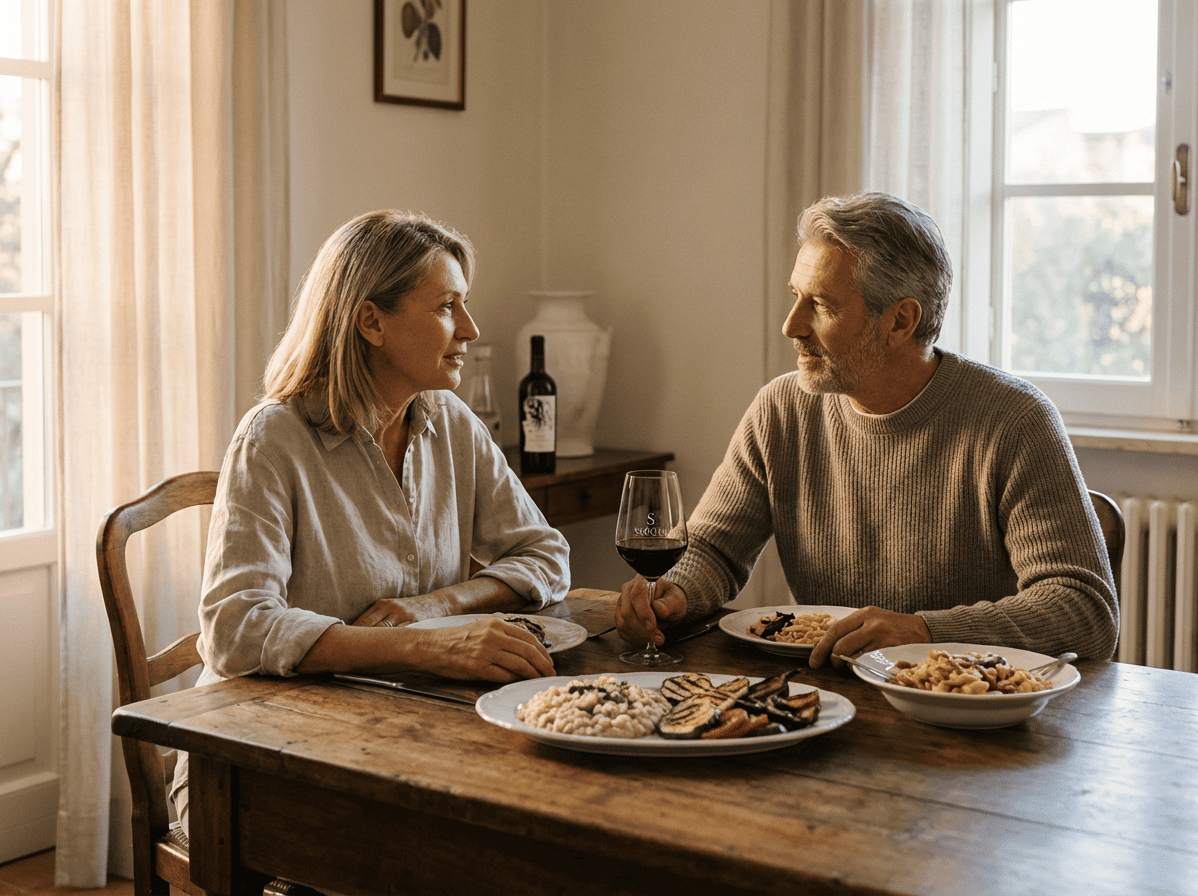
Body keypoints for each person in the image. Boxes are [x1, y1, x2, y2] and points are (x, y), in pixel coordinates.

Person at [172, 210, 570, 835]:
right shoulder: (273, 438)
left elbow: (545, 556)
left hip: (397, 732)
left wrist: (439, 607)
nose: (469, 328)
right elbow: (235, 629)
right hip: (253, 758)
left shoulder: (450, 422)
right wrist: (425, 646)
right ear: (370, 321)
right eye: (446, 306)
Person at [616, 191, 1118, 667]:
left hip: (964, 713)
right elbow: (713, 548)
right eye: (796, 296)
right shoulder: (781, 410)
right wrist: (672, 593)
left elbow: (1084, 609)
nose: (792, 326)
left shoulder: (1014, 421)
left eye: (823, 305)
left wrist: (924, 632)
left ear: (900, 321)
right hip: (824, 698)